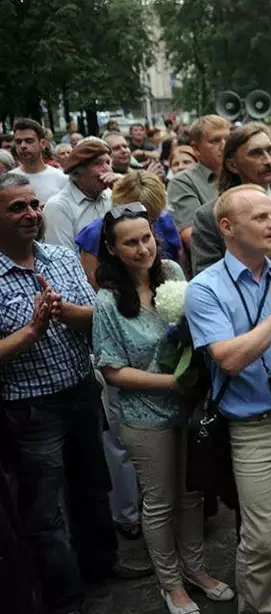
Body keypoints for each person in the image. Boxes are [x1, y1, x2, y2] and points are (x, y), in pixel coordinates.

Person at [0, 173, 152, 613]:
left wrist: (66, 313)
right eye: (17, 208)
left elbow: (97, 318)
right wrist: (32, 330)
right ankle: (63, 595)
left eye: (33, 205)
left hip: (81, 393)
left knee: (92, 486)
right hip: (29, 409)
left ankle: (102, 565)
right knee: (46, 510)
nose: (31, 213)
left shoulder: (60, 259)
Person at [185, 184, 271, 614]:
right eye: (261, 217)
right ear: (227, 228)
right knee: (261, 535)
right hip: (252, 428)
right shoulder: (204, 289)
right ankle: (259, 606)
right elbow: (228, 359)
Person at [91, 203, 233, 614]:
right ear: (113, 250)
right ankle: (170, 584)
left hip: (187, 409)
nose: (142, 249)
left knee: (192, 495)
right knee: (159, 501)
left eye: (146, 238)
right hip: (145, 416)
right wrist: (171, 381)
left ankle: (196, 569)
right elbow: (113, 371)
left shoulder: (172, 273)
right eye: (130, 243)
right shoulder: (107, 302)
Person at [189, 124, 271, 282]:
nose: (267, 160)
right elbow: (205, 282)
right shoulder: (210, 216)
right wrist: (263, 255)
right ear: (232, 165)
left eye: (270, 150)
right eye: (255, 154)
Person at [76, 171, 184, 287]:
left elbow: (180, 263)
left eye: (152, 220)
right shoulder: (95, 233)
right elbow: (94, 287)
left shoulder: (164, 219)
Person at [44, 138, 119, 252]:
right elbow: (64, 260)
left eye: (108, 162)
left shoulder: (111, 195)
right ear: (78, 171)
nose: (107, 169)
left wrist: (125, 190)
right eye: (98, 164)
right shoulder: (58, 206)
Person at [167, 115, 230, 250]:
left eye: (227, 139)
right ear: (196, 149)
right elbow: (192, 237)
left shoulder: (241, 174)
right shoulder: (183, 182)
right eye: (215, 141)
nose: (224, 146)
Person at [9, 118, 69, 201]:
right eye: (18, 142)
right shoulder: (9, 180)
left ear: (42, 144)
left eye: (29, 141)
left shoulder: (61, 178)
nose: (23, 146)